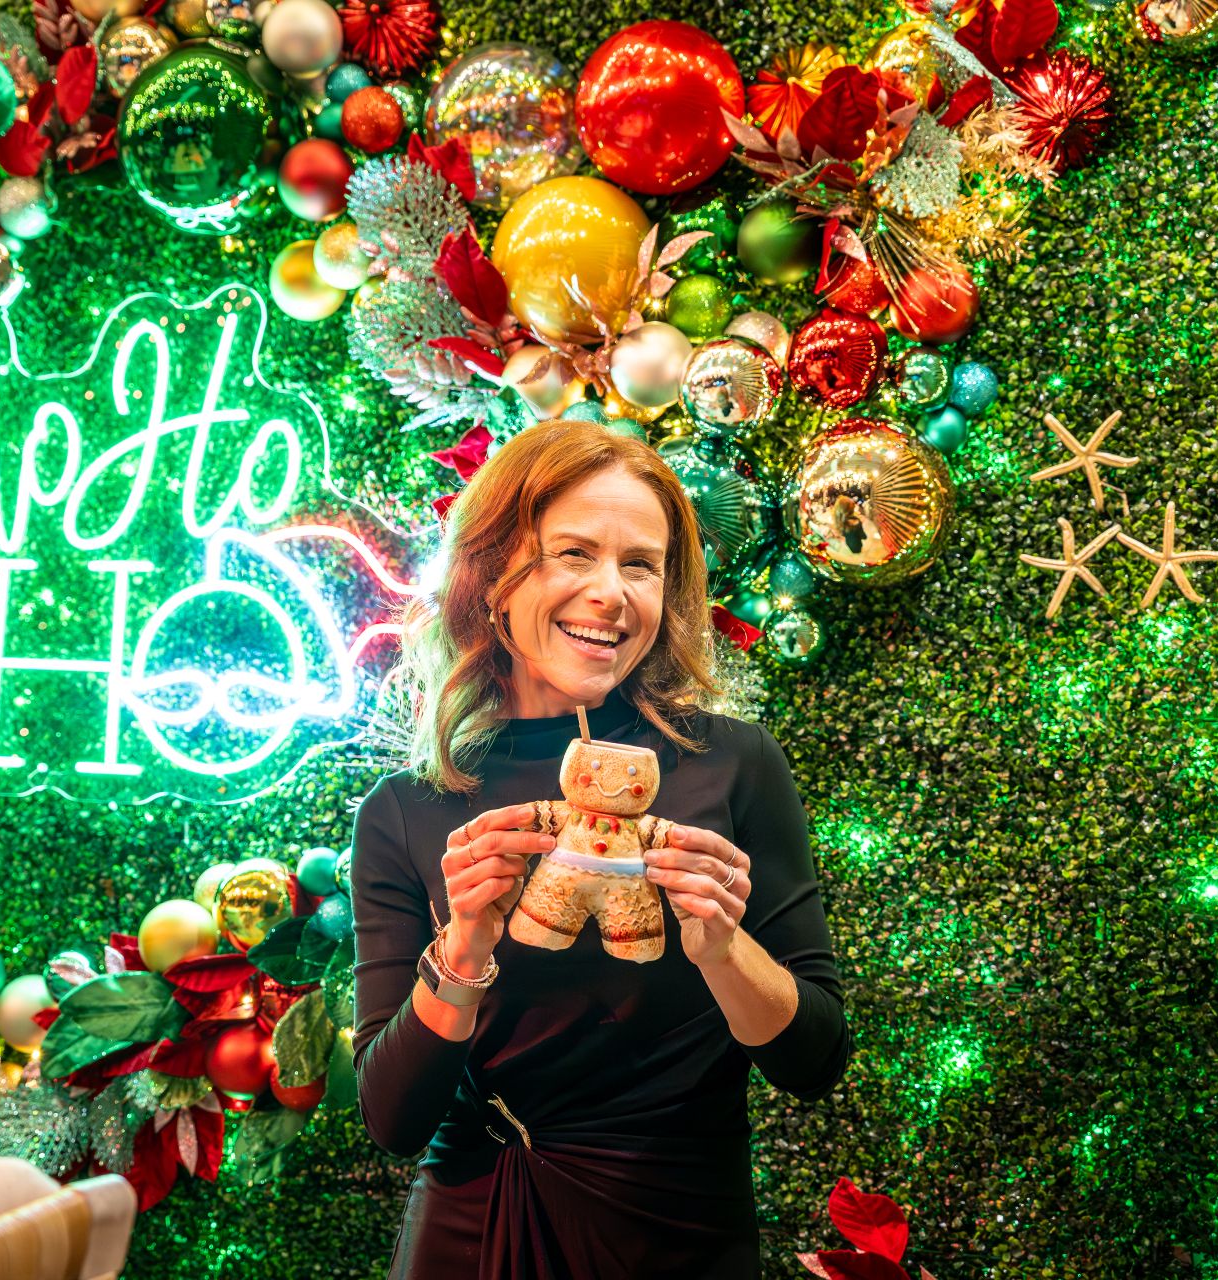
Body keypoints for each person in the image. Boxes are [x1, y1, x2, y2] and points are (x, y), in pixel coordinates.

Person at [350, 418, 850, 1278]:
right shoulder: (408, 812)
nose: (612, 593)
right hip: (478, 1227)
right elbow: (395, 1119)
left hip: (684, 1231)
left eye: (641, 565)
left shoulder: (732, 765)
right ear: (492, 573)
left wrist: (723, 949)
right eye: (574, 553)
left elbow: (814, 1062)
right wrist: (465, 944)